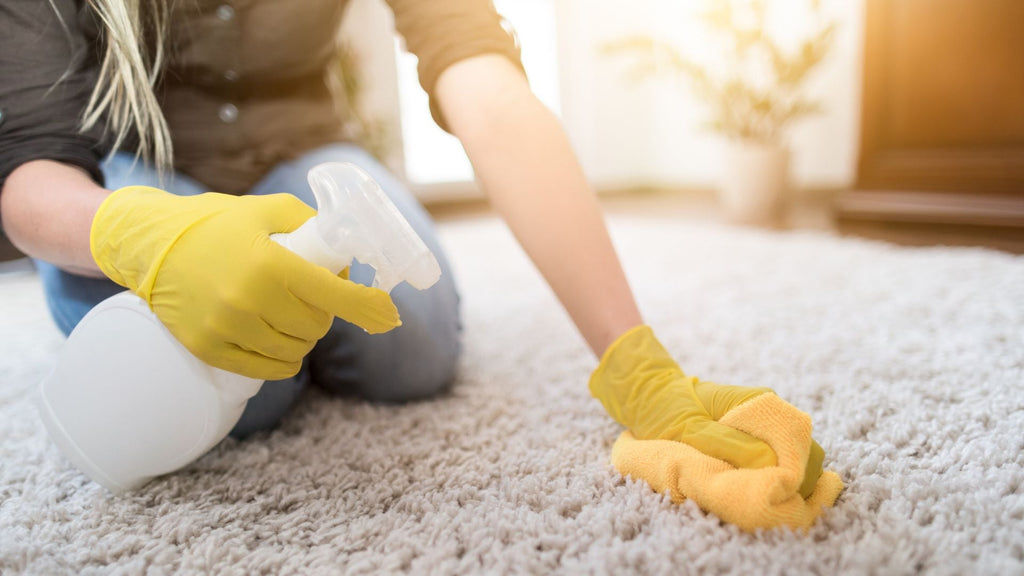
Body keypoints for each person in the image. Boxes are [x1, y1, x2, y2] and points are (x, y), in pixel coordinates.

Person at [0, 0, 823, 494]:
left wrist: (637, 360)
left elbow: (490, 96)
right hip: (142, 162)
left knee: (413, 350)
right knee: (253, 394)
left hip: (302, 144)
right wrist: (142, 234)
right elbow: (30, 168)